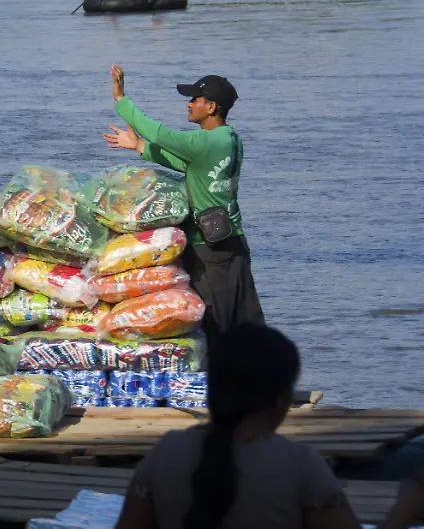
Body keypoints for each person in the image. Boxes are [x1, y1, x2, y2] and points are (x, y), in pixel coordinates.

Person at [115, 324, 361, 529]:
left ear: (211, 391)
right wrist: (401, 510)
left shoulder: (167, 453)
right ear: (281, 399)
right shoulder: (302, 466)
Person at [104, 67, 264, 340]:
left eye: (195, 99)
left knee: (215, 321)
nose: (189, 104)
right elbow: (185, 163)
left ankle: (223, 379)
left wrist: (122, 100)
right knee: (245, 317)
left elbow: (160, 134)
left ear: (211, 107)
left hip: (211, 249)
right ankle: (260, 376)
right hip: (233, 242)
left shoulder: (205, 140)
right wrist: (139, 146)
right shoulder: (229, 139)